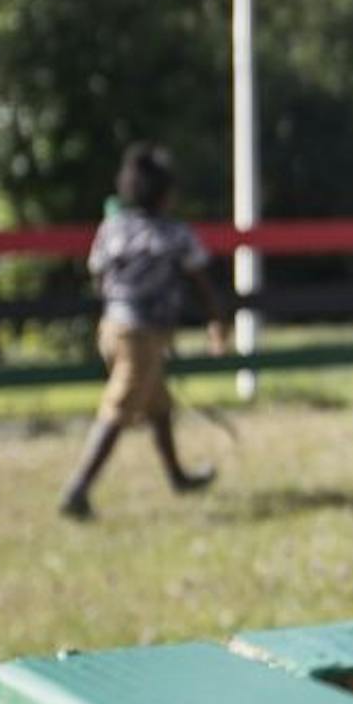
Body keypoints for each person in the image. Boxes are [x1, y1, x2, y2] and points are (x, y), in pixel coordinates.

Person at [58, 142, 229, 520]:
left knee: (159, 405)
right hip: (143, 333)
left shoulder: (113, 227)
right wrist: (216, 321)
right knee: (119, 406)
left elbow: (98, 273)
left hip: (112, 328)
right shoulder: (174, 234)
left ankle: (178, 477)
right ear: (166, 194)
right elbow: (201, 283)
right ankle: (78, 488)